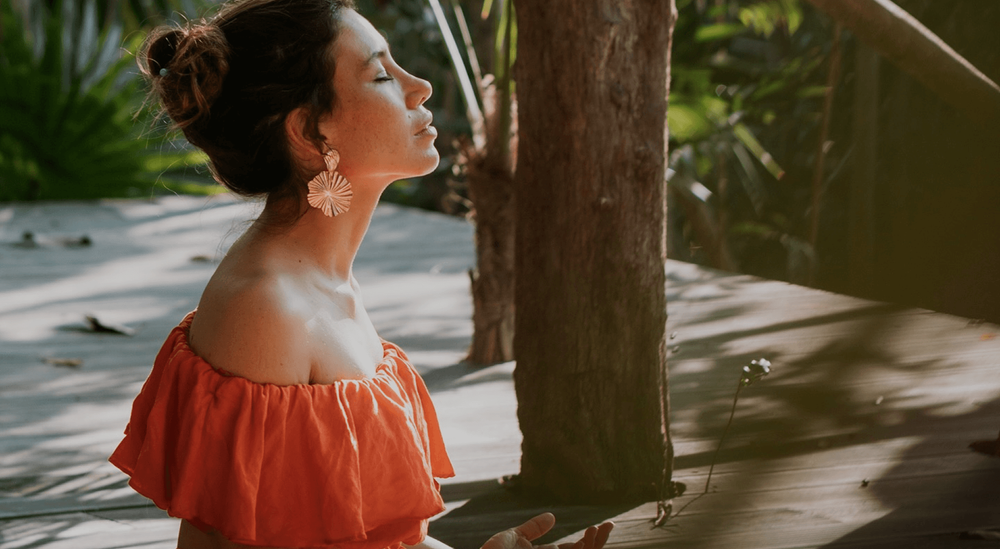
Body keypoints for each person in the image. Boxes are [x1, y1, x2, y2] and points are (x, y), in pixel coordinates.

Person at [108, 1, 614, 548]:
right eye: (381, 75)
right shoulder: (267, 311)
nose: (419, 87)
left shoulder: (322, 285)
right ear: (309, 132)